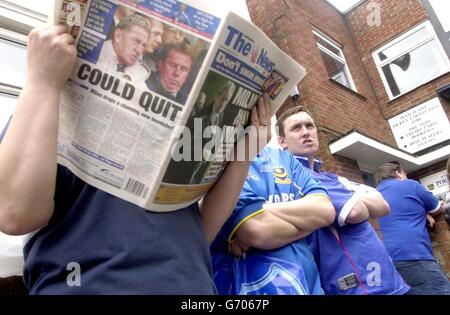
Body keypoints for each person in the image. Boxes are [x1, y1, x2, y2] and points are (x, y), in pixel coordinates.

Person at [0, 25, 271, 294]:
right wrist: (41, 81)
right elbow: (14, 214)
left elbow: (201, 234)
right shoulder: (47, 101)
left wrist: (244, 154)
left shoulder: (178, 121)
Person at [276, 106, 410, 295]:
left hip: (388, 281)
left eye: (309, 126)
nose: (306, 132)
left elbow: (382, 205)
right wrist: (353, 191)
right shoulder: (297, 177)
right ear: (282, 142)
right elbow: (355, 211)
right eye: (296, 128)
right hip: (359, 287)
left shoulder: (330, 178)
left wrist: (349, 191)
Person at [211, 141, 336, 295]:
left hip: (311, 286)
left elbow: (325, 210)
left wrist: (262, 210)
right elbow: (257, 231)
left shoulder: (285, 158)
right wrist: (308, 224)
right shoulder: (222, 158)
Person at [376, 161, 450, 295]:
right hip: (413, 255)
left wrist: (422, 212)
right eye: (405, 173)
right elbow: (437, 208)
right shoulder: (409, 185)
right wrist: (427, 211)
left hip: (385, 263)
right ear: (398, 173)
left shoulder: (374, 194)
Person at [97, 13, 150, 83]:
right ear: (118, 36)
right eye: (136, 41)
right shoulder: (94, 54)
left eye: (143, 45)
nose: (139, 51)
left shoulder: (142, 74)